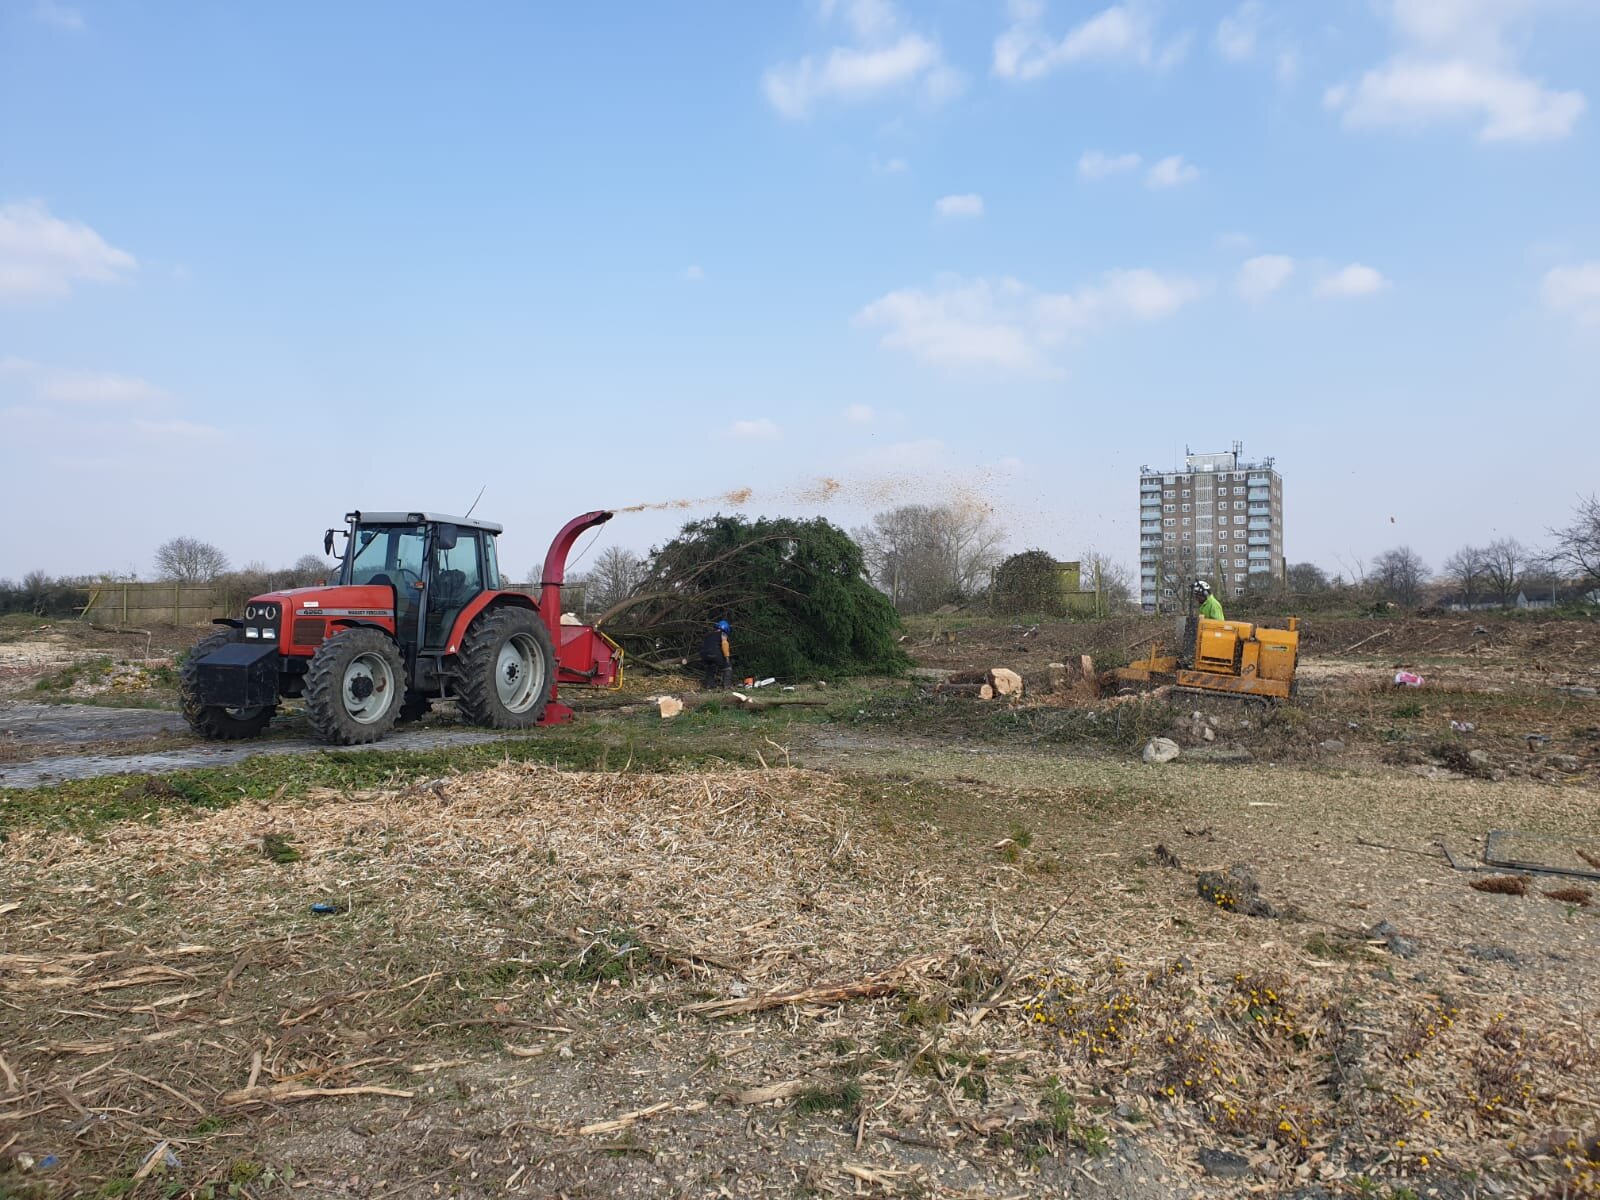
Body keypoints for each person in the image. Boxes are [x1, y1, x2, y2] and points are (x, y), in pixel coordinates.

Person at [699, 619, 732, 690]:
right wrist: (727, 658)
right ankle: (727, 686)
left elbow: (703, 645)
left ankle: (709, 686)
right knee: (727, 668)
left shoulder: (708, 635)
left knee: (710, 667)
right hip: (714, 654)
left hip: (704, 655)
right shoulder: (723, 634)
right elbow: (724, 644)